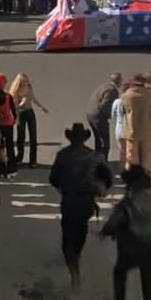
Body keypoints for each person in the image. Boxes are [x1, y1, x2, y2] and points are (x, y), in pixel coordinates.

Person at [49, 123, 113, 290]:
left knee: (67, 234)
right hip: (87, 200)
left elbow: (53, 179)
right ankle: (76, 256)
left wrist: (63, 185)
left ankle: (74, 269)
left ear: (70, 139)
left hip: (69, 200)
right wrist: (101, 188)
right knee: (81, 230)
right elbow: (108, 176)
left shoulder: (62, 155)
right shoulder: (94, 156)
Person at [100, 165, 151, 300]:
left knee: (119, 272)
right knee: (150, 289)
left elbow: (113, 225)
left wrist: (104, 232)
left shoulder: (126, 205)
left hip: (133, 249)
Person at [8, 73, 48, 168]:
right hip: (21, 113)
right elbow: (13, 106)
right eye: (23, 82)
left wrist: (41, 106)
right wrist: (21, 103)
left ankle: (33, 160)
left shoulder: (29, 87)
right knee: (21, 136)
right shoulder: (15, 91)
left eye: (26, 81)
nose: (25, 83)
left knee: (33, 136)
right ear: (19, 83)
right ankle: (19, 157)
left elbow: (33, 98)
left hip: (30, 112)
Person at [121, 74, 151, 174]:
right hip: (146, 128)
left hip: (131, 129)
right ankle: (148, 176)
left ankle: (132, 177)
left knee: (132, 156)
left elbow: (123, 109)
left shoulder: (126, 95)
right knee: (146, 156)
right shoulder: (148, 94)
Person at [86, 73, 122, 158]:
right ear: (118, 81)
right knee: (104, 142)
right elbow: (105, 104)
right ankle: (102, 162)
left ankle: (97, 159)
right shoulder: (112, 90)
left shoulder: (104, 86)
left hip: (91, 114)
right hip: (98, 116)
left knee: (98, 139)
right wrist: (109, 115)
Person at [0, 73, 18, 178]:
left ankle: (1, 169)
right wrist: (14, 119)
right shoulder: (8, 97)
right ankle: (11, 168)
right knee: (10, 146)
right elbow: (13, 110)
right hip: (8, 124)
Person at [112, 83, 130, 170]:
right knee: (129, 152)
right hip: (128, 128)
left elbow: (113, 115)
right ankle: (129, 170)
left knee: (122, 152)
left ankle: (122, 170)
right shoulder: (130, 102)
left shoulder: (117, 102)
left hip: (119, 128)